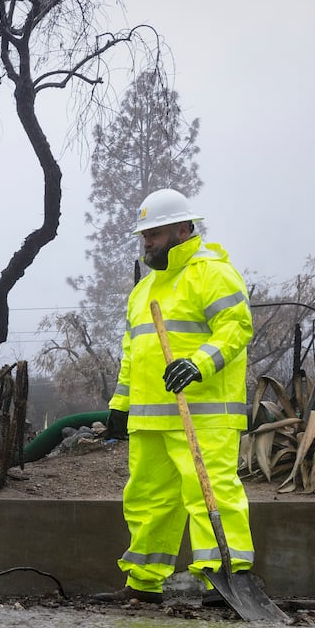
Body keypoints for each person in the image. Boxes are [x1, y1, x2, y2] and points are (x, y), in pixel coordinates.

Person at [95, 188, 255, 606]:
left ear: (183, 229)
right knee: (148, 500)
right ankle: (143, 584)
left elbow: (236, 328)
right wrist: (120, 404)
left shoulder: (212, 273)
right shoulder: (143, 291)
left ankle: (224, 580)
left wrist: (199, 363)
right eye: (145, 235)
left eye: (155, 233)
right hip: (151, 419)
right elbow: (134, 354)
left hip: (203, 413)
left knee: (211, 493)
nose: (147, 242)